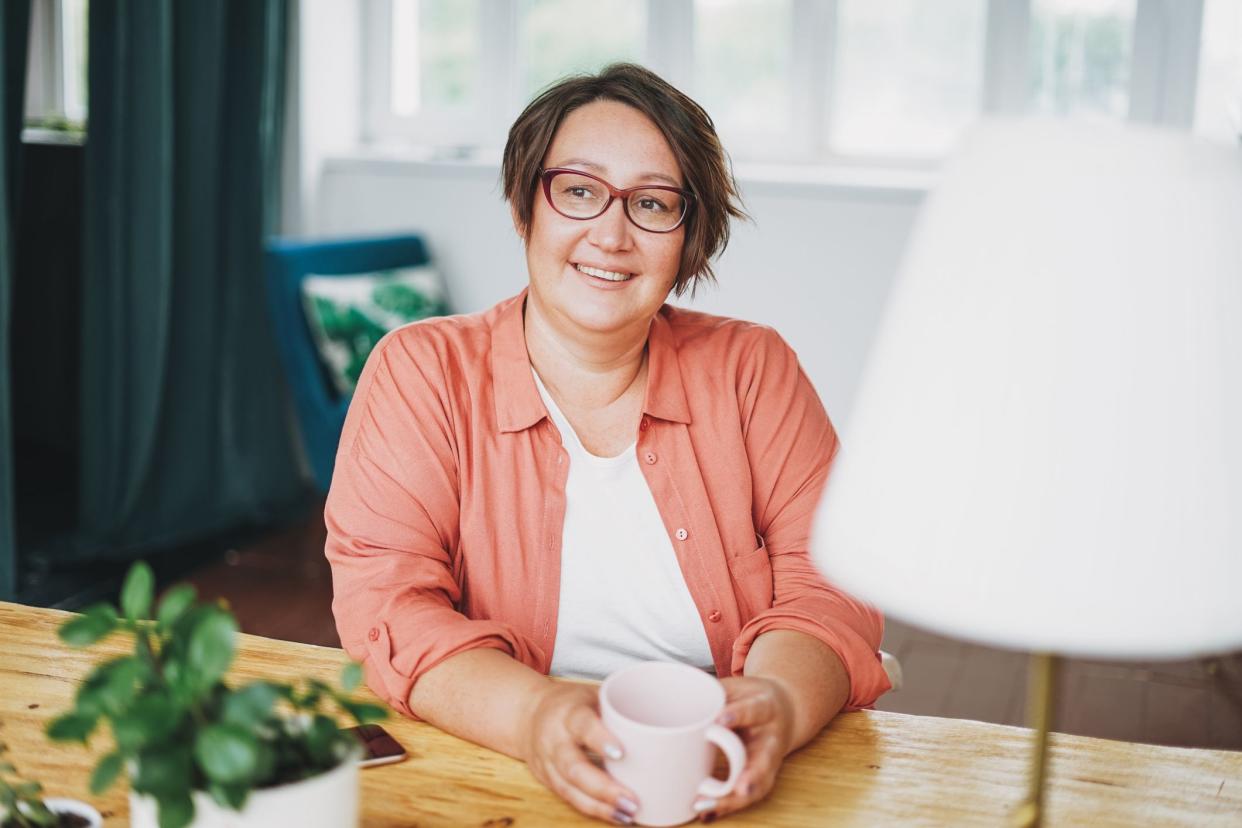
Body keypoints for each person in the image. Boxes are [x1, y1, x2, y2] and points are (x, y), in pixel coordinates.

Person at [325, 63, 891, 825]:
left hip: (729, 771)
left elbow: (831, 583)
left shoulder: (754, 368)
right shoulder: (420, 372)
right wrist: (539, 718)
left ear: (689, 240)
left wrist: (780, 704)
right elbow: (388, 608)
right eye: (581, 191)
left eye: (654, 203)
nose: (612, 234)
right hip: (501, 761)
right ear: (528, 205)